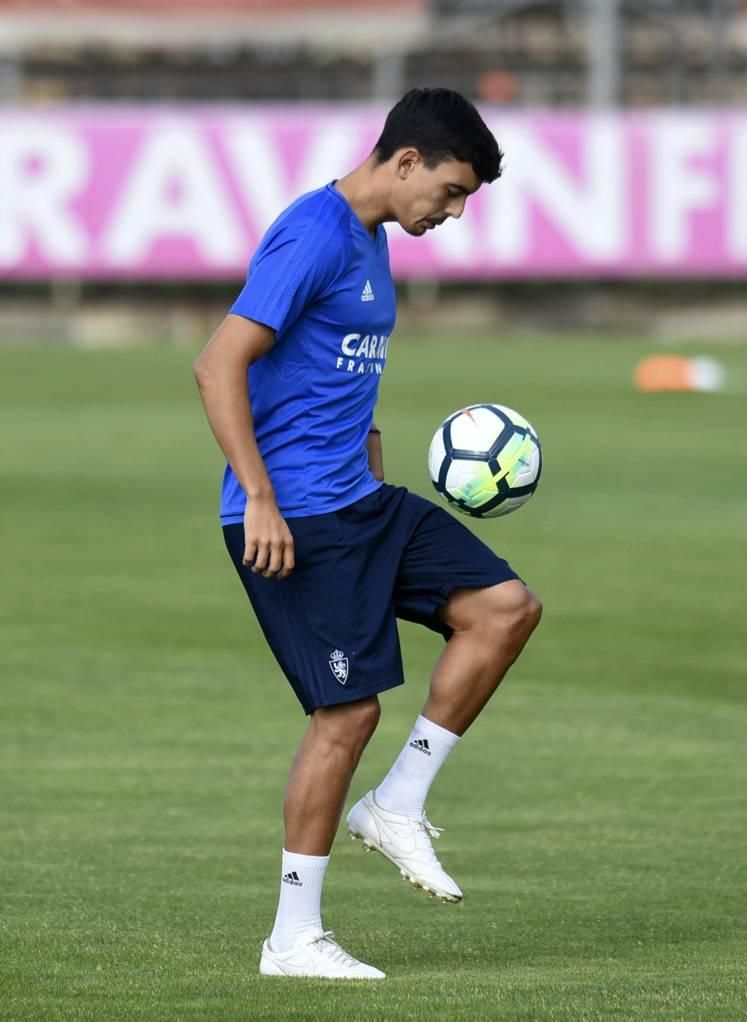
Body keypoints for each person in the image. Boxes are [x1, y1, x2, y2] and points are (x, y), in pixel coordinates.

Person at [192, 87, 543, 980]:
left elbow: (339, 373)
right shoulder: (313, 231)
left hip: (359, 498)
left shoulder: (376, 239)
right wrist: (261, 499)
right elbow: (219, 362)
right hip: (296, 516)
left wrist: (373, 463)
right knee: (346, 713)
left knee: (504, 608)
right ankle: (293, 939)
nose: (455, 212)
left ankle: (398, 803)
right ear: (406, 162)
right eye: (453, 191)